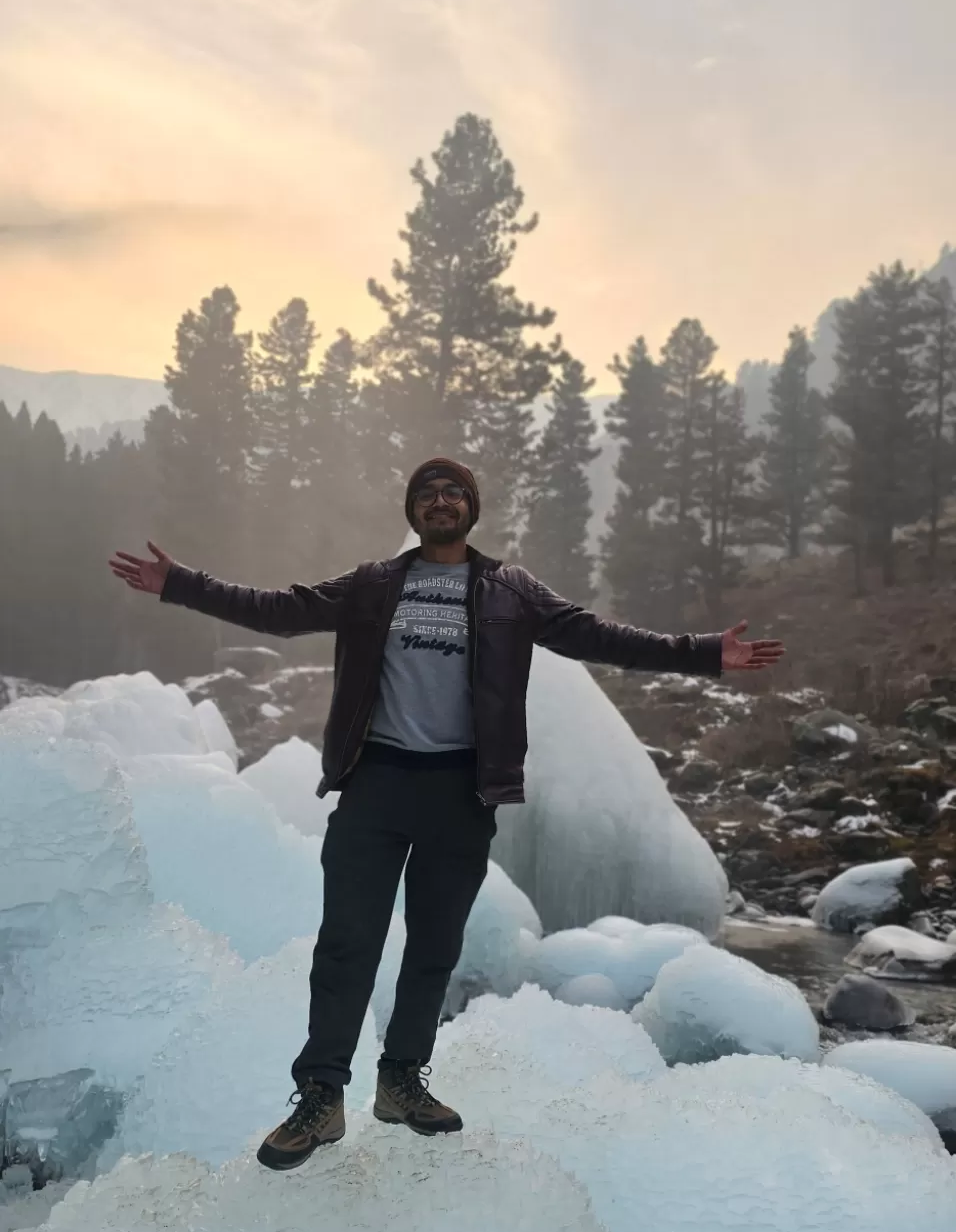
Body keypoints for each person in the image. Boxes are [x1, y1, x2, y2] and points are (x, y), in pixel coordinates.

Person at [110, 456, 784, 1168]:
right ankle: (320, 1097)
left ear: (471, 509)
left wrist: (706, 654)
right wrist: (180, 585)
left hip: (460, 793)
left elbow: (601, 637)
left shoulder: (511, 592)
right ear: (414, 511)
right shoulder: (372, 585)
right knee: (347, 945)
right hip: (375, 785)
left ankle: (401, 1080)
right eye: (428, 493)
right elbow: (278, 611)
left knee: (433, 949)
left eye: (452, 492)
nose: (440, 501)